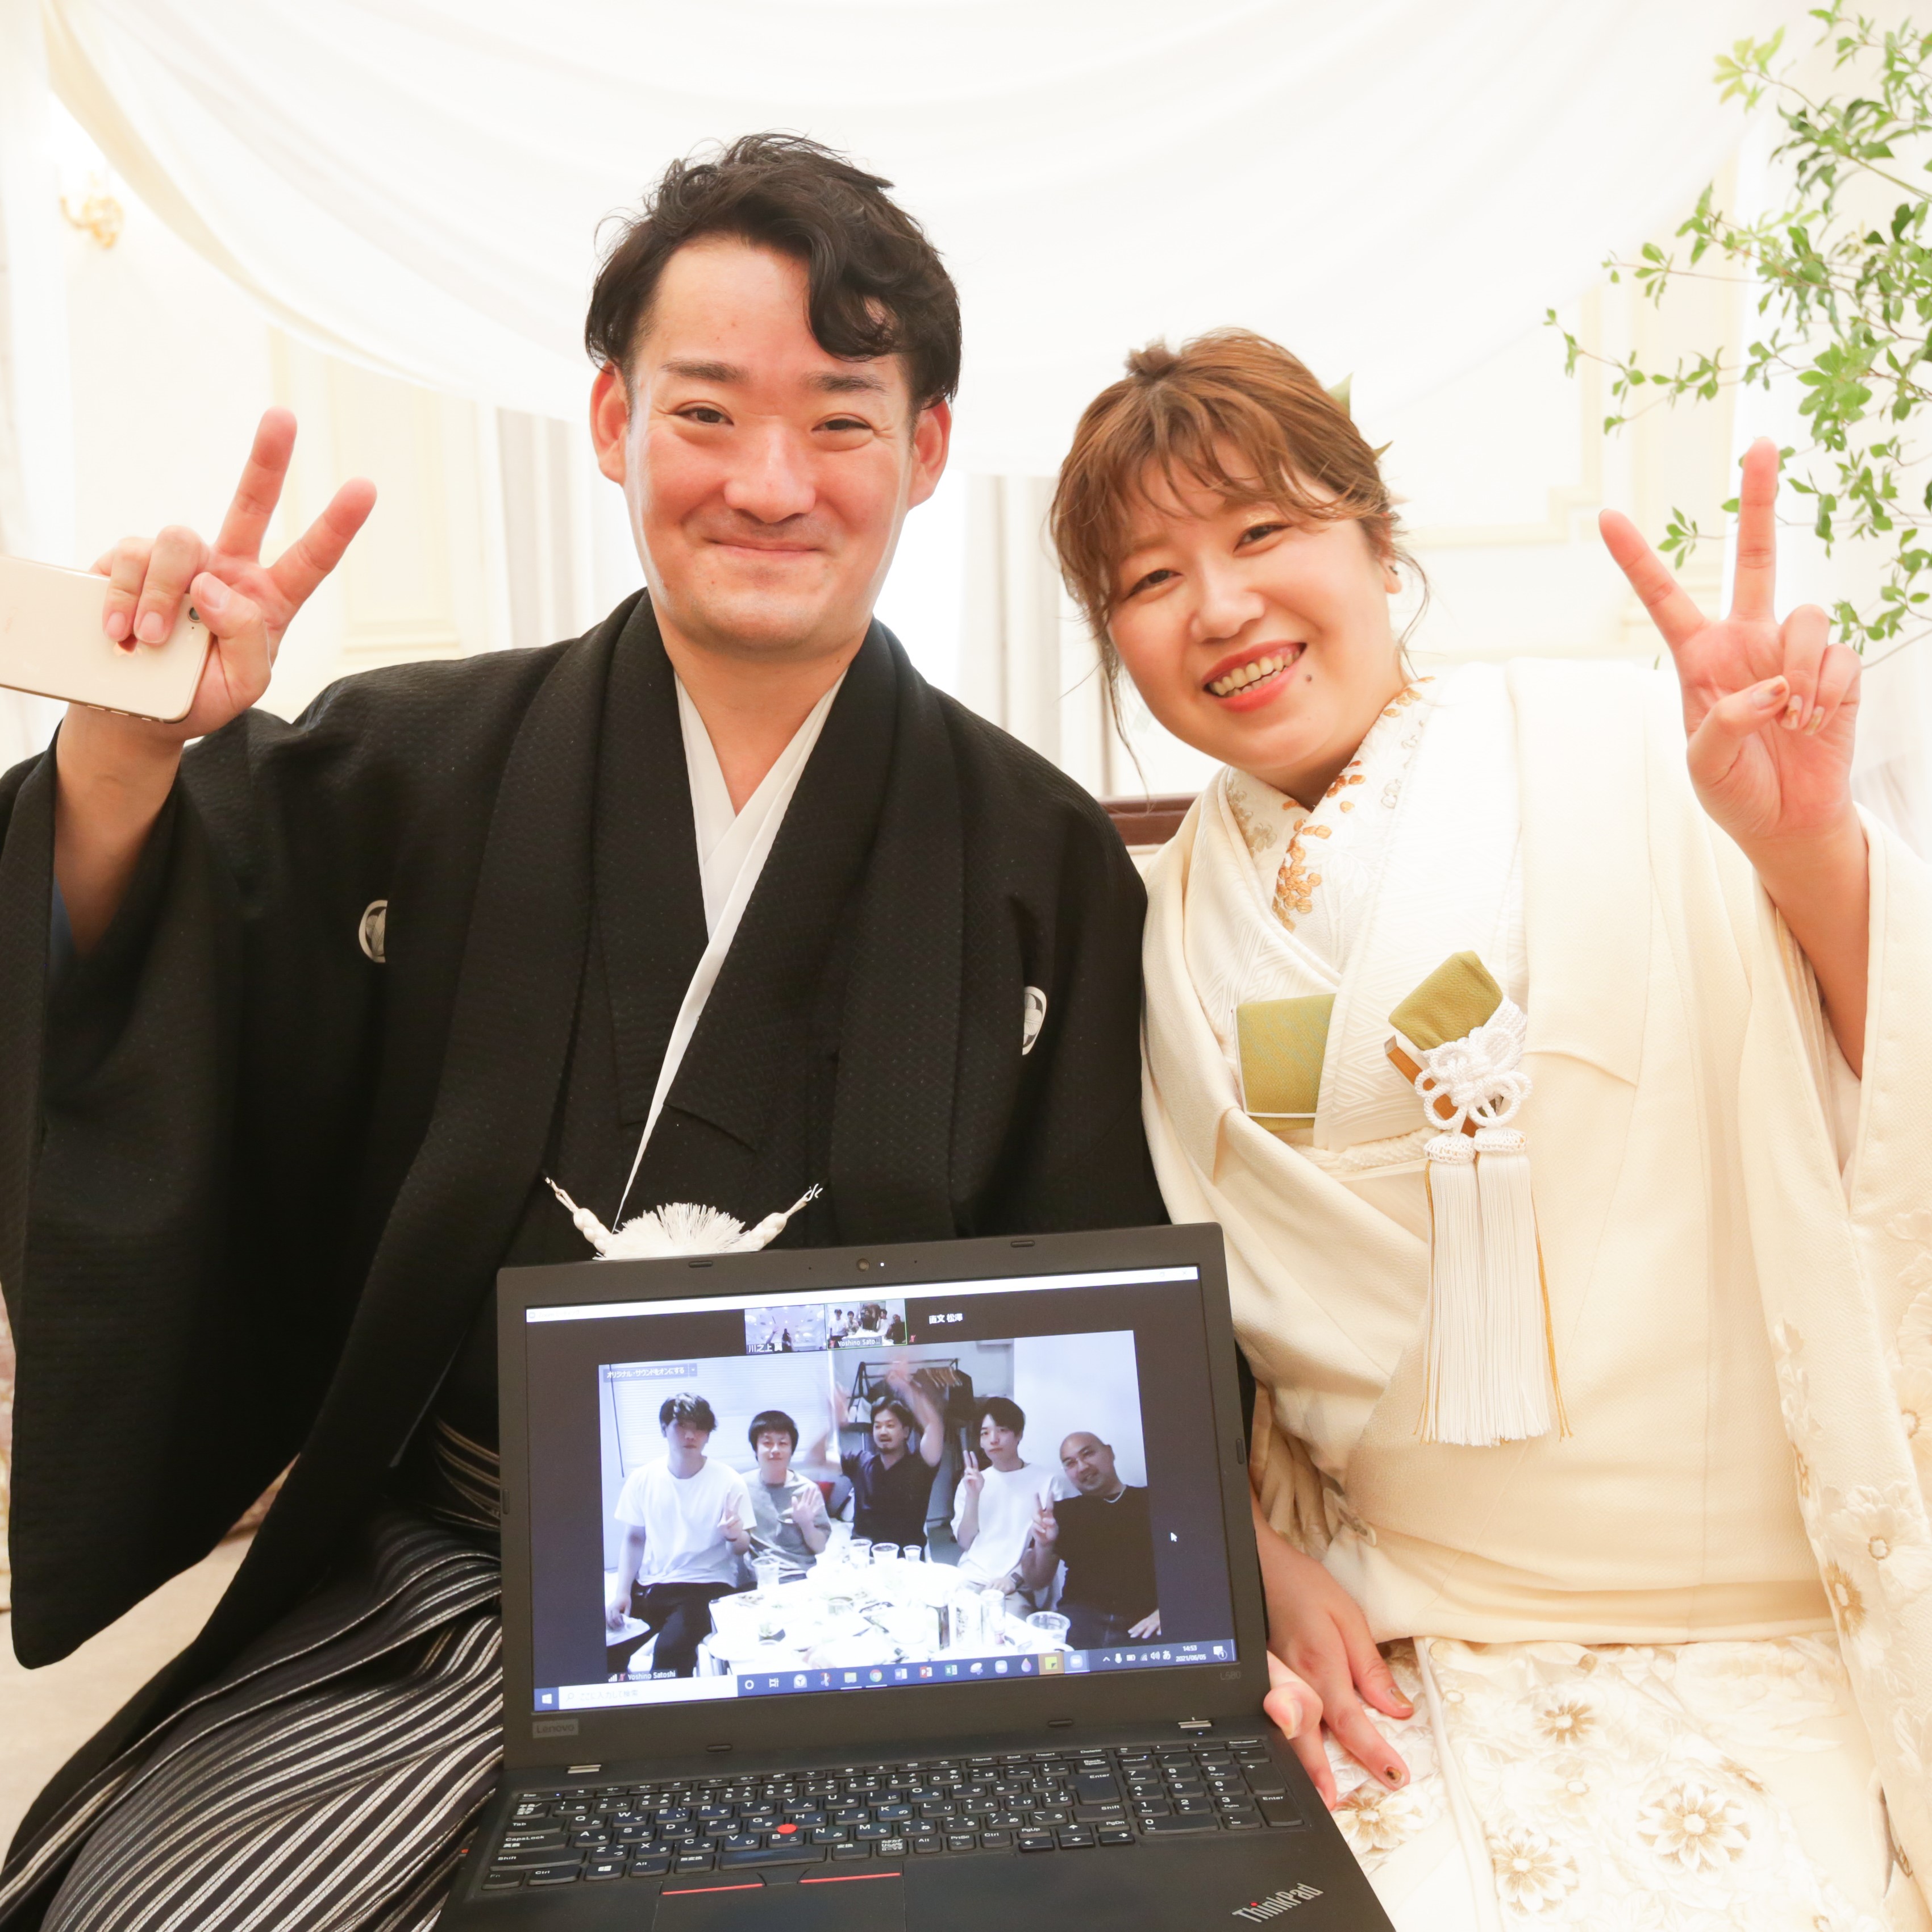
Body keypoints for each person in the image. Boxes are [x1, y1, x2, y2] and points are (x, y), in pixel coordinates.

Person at [0, 135, 1166, 1932]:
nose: (769, 482)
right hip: (457, 1580)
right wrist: (129, 753)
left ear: (926, 448)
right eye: (707, 412)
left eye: (839, 421)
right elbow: (135, 989)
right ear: (614, 419)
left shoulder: (1037, 857)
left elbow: (1098, 1274)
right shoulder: (408, 763)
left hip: (870, 1619)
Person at [1048, 331, 1932, 1927]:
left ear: (1375, 539)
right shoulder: (1167, 915)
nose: (1220, 605)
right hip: (1391, 1627)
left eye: (1262, 531)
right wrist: (1247, 1552)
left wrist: (1807, 851)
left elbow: (1883, 1111)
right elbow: (1191, 1324)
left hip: (1749, 1617)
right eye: (1151, 577)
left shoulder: (1635, 750)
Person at [605, 1396, 752, 1676]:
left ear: (708, 1434)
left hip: (706, 1584)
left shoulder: (729, 1480)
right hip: (652, 1585)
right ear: (664, 1429)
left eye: (699, 1428)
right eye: (681, 1426)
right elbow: (634, 1539)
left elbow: (742, 1549)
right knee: (605, 1649)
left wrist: (734, 1536)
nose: (690, 1435)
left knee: (669, 1654)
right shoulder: (642, 1479)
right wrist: (622, 1592)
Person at [1019, 1431, 1158, 1647]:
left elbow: (1189, 1565)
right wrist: (1044, 1546)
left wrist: (1166, 1611)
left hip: (1144, 1621)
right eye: (1070, 1463)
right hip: (1079, 1619)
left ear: (1110, 1453)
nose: (1082, 1467)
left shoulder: (1152, 1501)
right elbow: (1036, 1581)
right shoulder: (1061, 1513)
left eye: (1088, 1454)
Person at [836, 1365, 945, 1548]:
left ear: (905, 1432)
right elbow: (818, 1459)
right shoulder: (861, 1462)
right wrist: (833, 1421)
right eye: (877, 1426)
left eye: (890, 1425)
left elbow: (934, 1426)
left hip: (905, 1559)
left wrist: (906, 1388)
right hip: (865, 1558)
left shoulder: (921, 1466)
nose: (883, 1431)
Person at [951, 1397, 1047, 1601]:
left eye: (1002, 1430)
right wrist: (973, 1496)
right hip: (970, 1577)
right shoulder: (972, 1482)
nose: (993, 1439)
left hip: (1016, 1584)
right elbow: (965, 1543)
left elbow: (1046, 1549)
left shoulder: (1046, 1481)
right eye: (985, 1433)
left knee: (1004, 1620)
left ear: (1019, 1434)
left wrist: (1015, 1578)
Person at [742, 1407, 829, 1580]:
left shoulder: (808, 1490)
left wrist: (806, 1524)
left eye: (782, 1443)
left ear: (791, 1451)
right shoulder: (742, 1486)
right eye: (767, 1443)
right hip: (761, 1577)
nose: (775, 1450)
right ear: (756, 1449)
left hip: (800, 1575)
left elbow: (820, 1548)